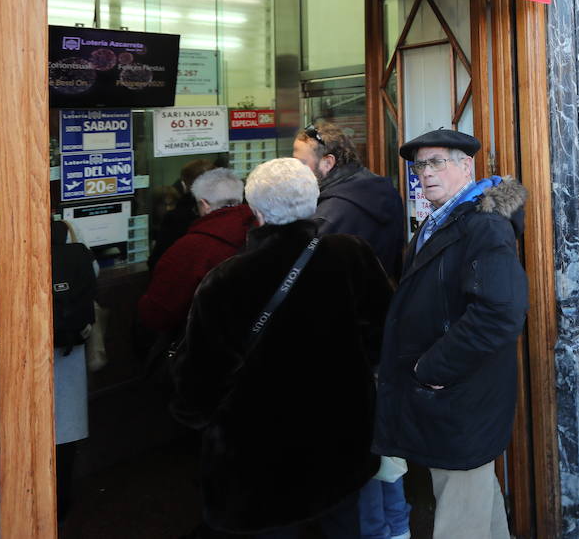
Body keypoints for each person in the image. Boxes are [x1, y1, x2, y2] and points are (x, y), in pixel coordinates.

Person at [171, 158, 393, 537]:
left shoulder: (225, 281)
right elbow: (383, 339)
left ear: (255, 212)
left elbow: (198, 390)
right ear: (313, 201)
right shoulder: (352, 255)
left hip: (259, 470)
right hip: (341, 450)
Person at [374, 129, 528, 539]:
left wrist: (431, 367)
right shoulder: (441, 218)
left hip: (459, 397)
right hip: (450, 399)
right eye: (420, 165)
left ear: (466, 166)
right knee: (477, 503)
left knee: (460, 519)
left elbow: (500, 313)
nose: (425, 173)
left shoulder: (483, 225)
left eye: (437, 162)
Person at [138, 168, 256, 336]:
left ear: (205, 205)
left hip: (207, 345)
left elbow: (156, 314)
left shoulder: (190, 249)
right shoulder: (261, 231)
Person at [294, 119, 405, 280]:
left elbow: (307, 277)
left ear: (328, 162)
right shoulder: (387, 192)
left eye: (301, 163)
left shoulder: (327, 215)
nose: (295, 170)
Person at [52, 219, 97, 522]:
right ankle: (60, 500)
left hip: (26, 354)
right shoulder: (76, 247)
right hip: (67, 352)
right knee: (64, 433)